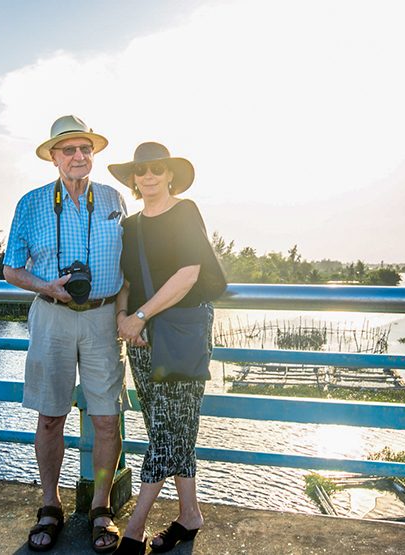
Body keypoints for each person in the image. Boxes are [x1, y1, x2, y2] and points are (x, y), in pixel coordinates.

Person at [3, 115, 127, 553]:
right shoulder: (32, 203)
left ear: (92, 154)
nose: (78, 156)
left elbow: (130, 265)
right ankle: (50, 505)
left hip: (102, 318)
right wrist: (47, 286)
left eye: (85, 149)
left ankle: (101, 509)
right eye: (68, 150)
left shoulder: (114, 198)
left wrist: (127, 313)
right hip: (52, 315)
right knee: (50, 415)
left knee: (107, 417)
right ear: (53, 157)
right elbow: (11, 268)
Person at [110, 142, 227, 554]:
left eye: (157, 168)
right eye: (141, 170)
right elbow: (125, 282)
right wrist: (126, 319)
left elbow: (189, 274)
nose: (149, 176)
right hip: (141, 338)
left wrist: (140, 315)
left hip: (181, 332)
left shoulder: (185, 211)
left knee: (165, 432)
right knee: (171, 427)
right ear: (133, 178)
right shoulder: (130, 226)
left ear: (170, 174)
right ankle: (190, 515)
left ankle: (134, 529)